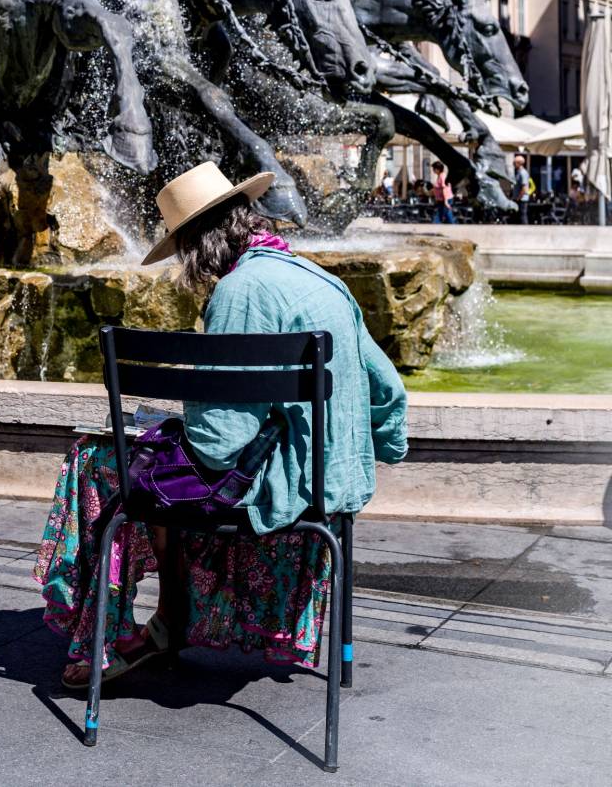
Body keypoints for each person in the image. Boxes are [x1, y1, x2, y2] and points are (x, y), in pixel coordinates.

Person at [34, 161, 408, 688]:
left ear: (197, 244)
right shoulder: (324, 281)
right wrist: (377, 453)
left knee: (97, 462)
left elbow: (218, 443)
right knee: (158, 466)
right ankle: (170, 619)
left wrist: (164, 431)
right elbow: (387, 388)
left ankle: (110, 633)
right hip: (334, 485)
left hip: (277, 489)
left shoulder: (238, 292)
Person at [431, 160, 455, 224]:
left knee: (447, 214)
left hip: (445, 199)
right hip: (441, 200)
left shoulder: (442, 176)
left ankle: (453, 226)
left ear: (438, 169)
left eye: (434, 169)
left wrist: (446, 201)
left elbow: (445, 189)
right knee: (441, 214)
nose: (433, 170)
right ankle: (436, 225)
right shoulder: (439, 176)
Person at [513, 153, 531, 224]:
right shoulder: (518, 172)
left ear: (519, 163)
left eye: (514, 162)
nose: (513, 164)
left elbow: (524, 188)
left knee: (522, 216)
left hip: (522, 199)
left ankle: (524, 229)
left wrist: (518, 198)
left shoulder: (523, 173)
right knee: (518, 217)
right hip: (518, 198)